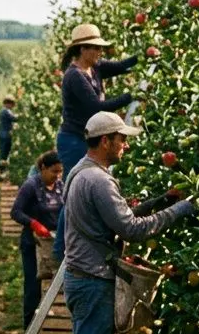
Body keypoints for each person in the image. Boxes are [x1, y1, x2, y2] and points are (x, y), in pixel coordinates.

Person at [60, 111, 196, 334]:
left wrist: (160, 202)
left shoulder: (80, 171)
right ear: (105, 141)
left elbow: (120, 216)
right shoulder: (100, 181)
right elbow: (132, 229)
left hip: (80, 277)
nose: (126, 144)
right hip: (93, 281)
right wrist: (181, 210)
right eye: (121, 138)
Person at [53, 24, 139, 260]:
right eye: (96, 48)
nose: (101, 53)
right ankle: (60, 252)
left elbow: (121, 66)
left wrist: (143, 56)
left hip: (90, 137)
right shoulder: (74, 76)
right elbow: (96, 107)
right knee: (72, 196)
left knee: (82, 194)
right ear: (83, 49)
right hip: (73, 139)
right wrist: (131, 96)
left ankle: (70, 248)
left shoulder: (95, 68)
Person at [10, 150, 63, 328]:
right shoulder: (31, 186)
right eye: (54, 171)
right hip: (33, 242)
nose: (57, 175)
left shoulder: (60, 186)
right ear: (42, 168)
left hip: (54, 242)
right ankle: (29, 328)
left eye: (60, 171)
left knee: (59, 282)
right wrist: (33, 224)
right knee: (33, 285)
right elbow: (15, 212)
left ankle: (49, 319)